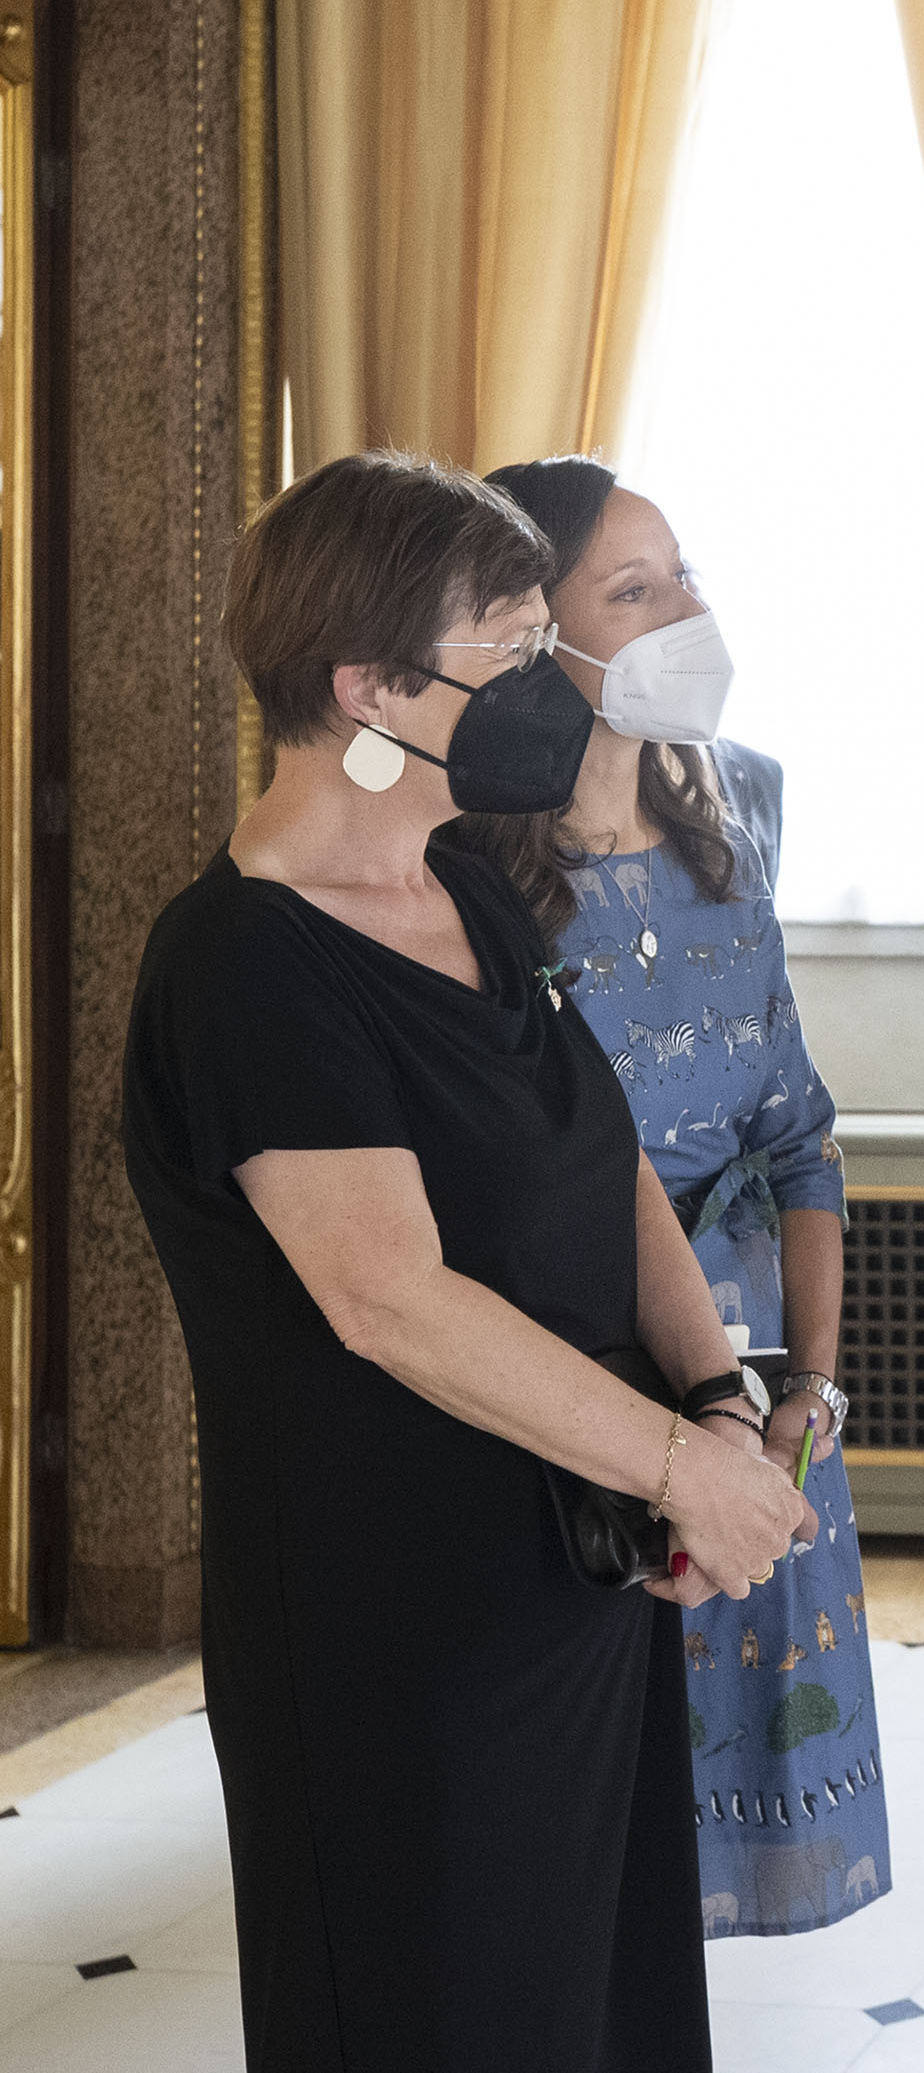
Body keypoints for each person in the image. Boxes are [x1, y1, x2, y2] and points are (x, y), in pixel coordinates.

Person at [120, 449, 815, 2071]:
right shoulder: (243, 962)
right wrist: (678, 1465)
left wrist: (715, 1403)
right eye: (506, 651)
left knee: (599, 2008)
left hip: (579, 1571)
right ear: (366, 687)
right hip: (397, 1632)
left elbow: (606, 1161)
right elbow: (391, 1300)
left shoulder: (468, 894)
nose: (542, 690)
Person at [448, 454, 885, 1938]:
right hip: (580, 1375)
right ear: (533, 634)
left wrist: (807, 1390)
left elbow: (803, 1135)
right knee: (579, 1837)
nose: (687, 612)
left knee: (729, 1804)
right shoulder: (461, 881)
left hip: (761, 1384)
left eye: (684, 572)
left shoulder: (734, 818)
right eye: (634, 590)